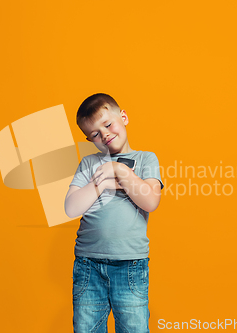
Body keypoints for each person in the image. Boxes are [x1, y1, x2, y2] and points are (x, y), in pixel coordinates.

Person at [65, 93, 164, 333]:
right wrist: (103, 183)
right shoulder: (89, 164)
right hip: (88, 264)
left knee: (134, 329)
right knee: (87, 328)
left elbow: (150, 200)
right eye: (95, 134)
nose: (105, 134)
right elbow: (71, 208)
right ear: (90, 140)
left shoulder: (145, 159)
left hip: (130, 264)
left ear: (124, 117)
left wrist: (119, 169)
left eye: (108, 125)